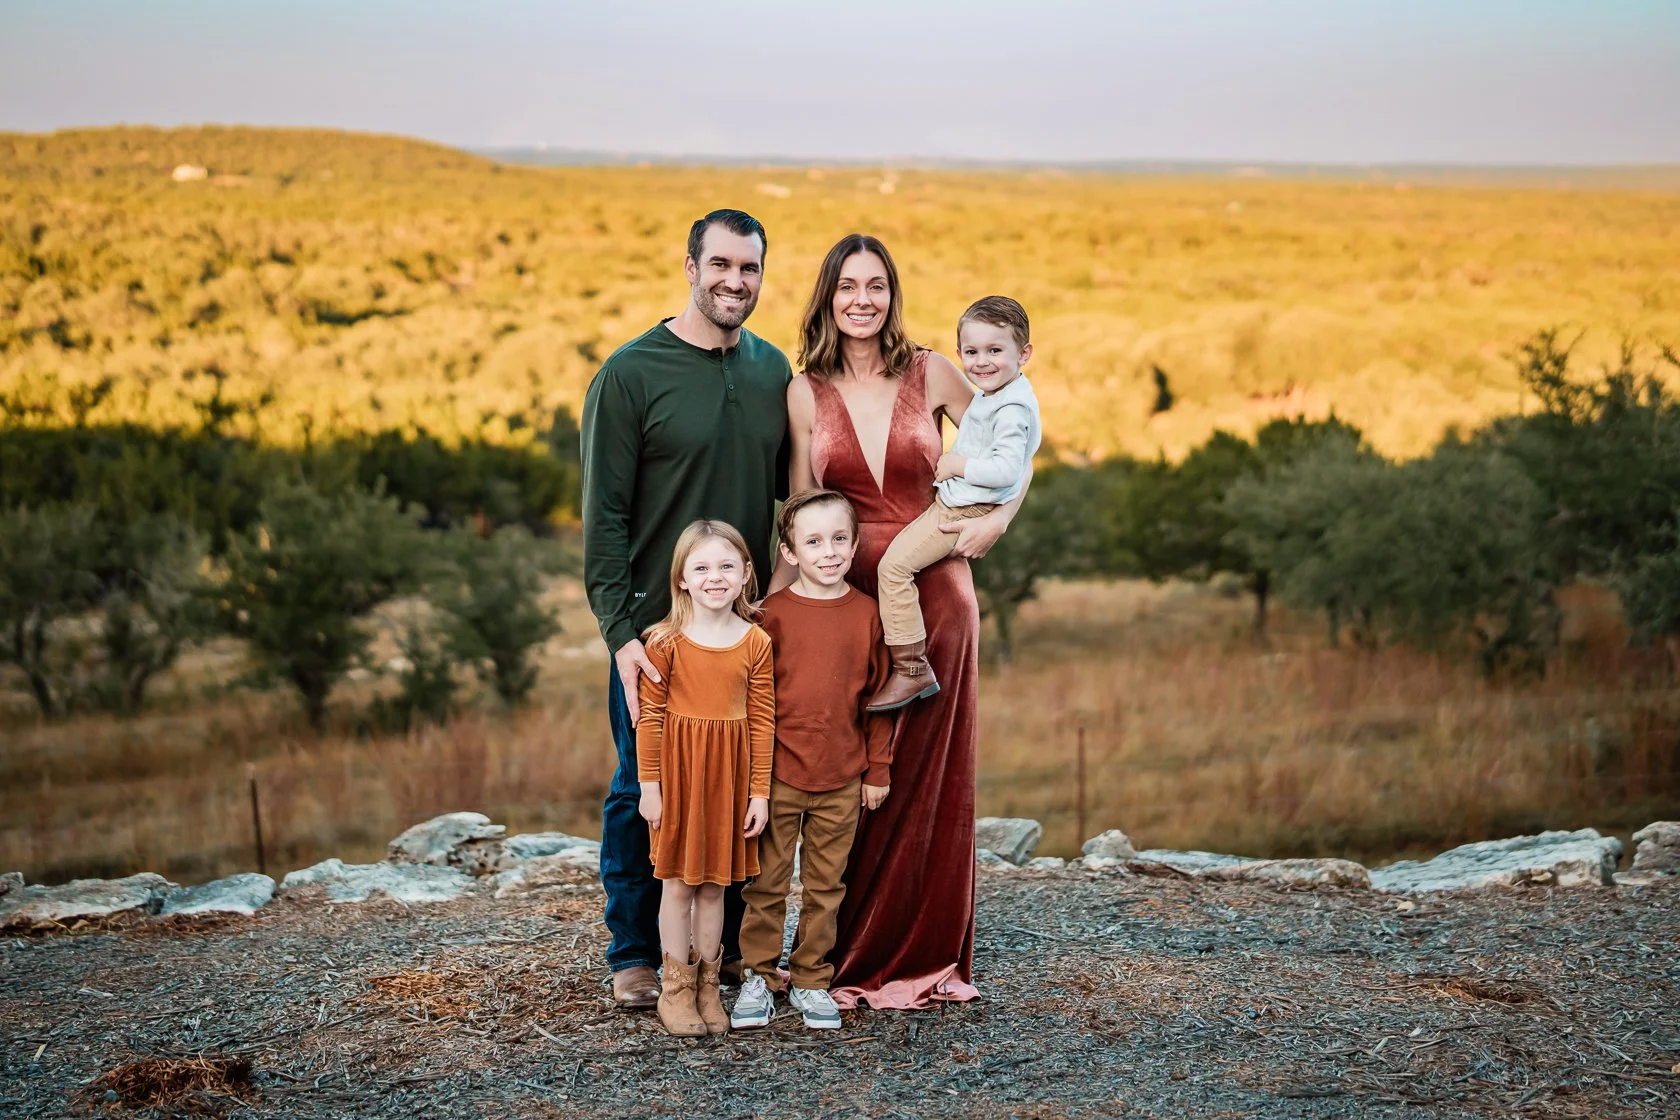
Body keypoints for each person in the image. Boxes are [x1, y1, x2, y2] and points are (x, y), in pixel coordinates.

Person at [776, 234, 1027, 1009]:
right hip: (846, 602)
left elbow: (1012, 451)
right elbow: (801, 509)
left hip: (940, 594)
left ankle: (924, 956)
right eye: (848, 285)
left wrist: (1002, 518)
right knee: (852, 777)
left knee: (927, 779)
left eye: (876, 285)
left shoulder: (937, 371)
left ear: (892, 294)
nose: (862, 299)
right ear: (828, 295)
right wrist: (772, 607)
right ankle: (838, 956)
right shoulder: (802, 391)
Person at [580, 209, 790, 1012]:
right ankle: (636, 953)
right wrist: (620, 635)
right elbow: (603, 518)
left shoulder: (773, 372)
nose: (736, 282)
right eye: (723, 265)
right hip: (657, 635)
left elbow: (792, 496)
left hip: (743, 632)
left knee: (736, 783)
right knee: (644, 788)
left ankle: (723, 951)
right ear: (690, 266)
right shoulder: (631, 374)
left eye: (750, 269)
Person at [732, 489, 894, 1031]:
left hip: (843, 778)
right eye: (814, 541)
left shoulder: (869, 615)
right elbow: (750, 702)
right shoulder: (769, 617)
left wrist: (878, 769)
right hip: (777, 776)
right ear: (791, 551)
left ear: (855, 545)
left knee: (827, 886)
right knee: (767, 883)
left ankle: (810, 979)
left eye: (840, 539)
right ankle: (758, 975)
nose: (829, 551)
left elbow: (879, 699)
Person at [867, 296, 1042, 711]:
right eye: (971, 351)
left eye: (995, 350)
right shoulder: (996, 392)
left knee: (893, 568)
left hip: (963, 511)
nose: (981, 362)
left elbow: (1008, 471)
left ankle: (911, 668)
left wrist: (959, 464)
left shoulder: (1012, 407)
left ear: (1025, 353)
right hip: (956, 503)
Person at [635, 519, 774, 1036]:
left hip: (729, 780)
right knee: (677, 886)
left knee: (715, 889)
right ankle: (675, 991)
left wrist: (758, 791)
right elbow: (649, 719)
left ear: (745, 576)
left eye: (725, 567)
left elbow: (763, 720)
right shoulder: (665, 641)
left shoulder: (755, 642)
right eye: (701, 567)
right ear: (682, 580)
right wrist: (650, 786)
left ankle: (709, 987)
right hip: (678, 776)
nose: (714, 577)